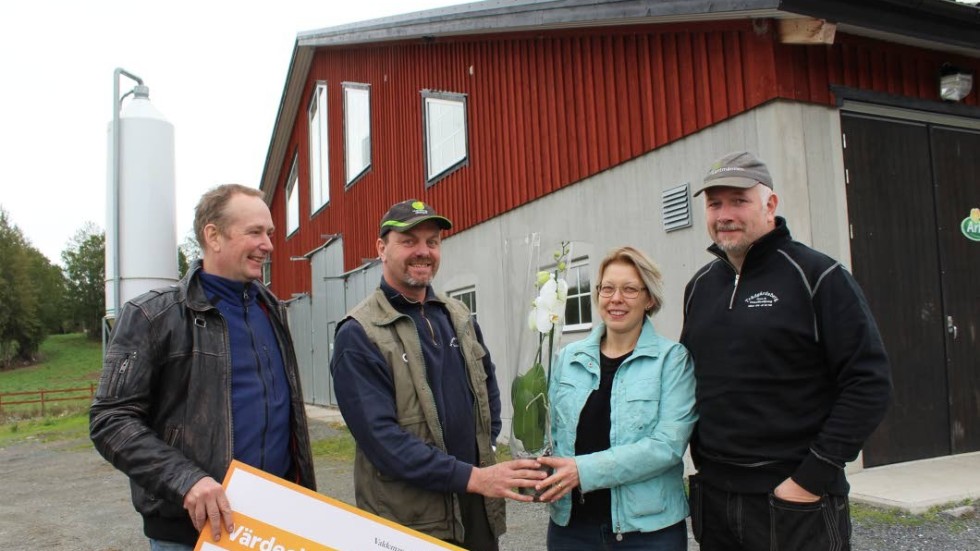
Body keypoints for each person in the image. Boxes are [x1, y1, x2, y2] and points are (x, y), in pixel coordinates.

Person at [681, 151, 892, 551]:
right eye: (715, 203)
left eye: (738, 201)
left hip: (794, 502)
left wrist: (810, 478)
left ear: (770, 204)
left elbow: (869, 382)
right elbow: (690, 382)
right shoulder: (700, 287)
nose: (725, 214)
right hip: (717, 500)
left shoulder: (818, 277)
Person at [90, 184, 316, 551]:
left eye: (269, 233)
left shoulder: (271, 309)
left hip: (272, 521)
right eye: (255, 232)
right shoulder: (153, 315)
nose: (269, 245)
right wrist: (187, 480)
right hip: (188, 530)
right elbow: (110, 420)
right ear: (213, 235)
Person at [330, 199, 546, 551]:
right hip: (411, 525)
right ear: (381, 249)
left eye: (432, 242)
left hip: (476, 513)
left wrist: (486, 445)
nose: (423, 251)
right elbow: (383, 442)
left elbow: (487, 387)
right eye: (409, 241)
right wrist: (472, 476)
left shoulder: (458, 315)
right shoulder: (359, 334)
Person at [535, 246, 697, 550]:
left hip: (648, 533)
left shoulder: (672, 360)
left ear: (649, 298)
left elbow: (667, 446)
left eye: (630, 289)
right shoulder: (568, 358)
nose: (616, 298)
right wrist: (535, 463)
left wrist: (583, 471)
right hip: (572, 529)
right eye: (607, 288)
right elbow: (553, 433)